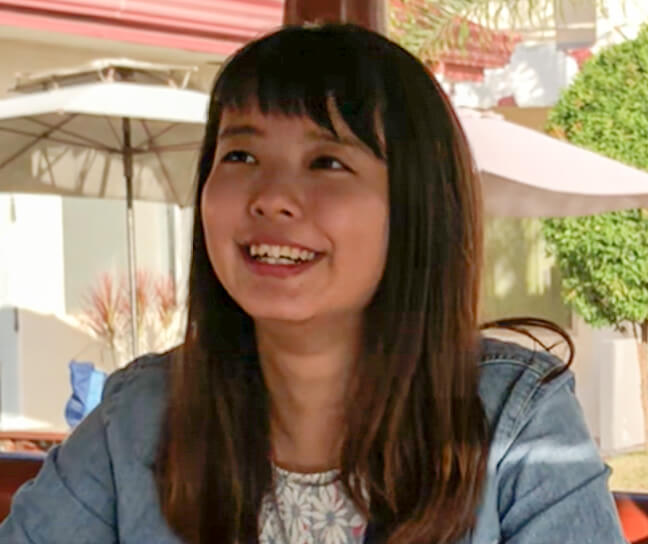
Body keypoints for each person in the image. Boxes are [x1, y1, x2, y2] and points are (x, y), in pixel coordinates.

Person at [0, 24, 626, 544]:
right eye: (240, 156)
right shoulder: (138, 418)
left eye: (327, 161)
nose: (271, 197)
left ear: (416, 209)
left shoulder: (516, 424)